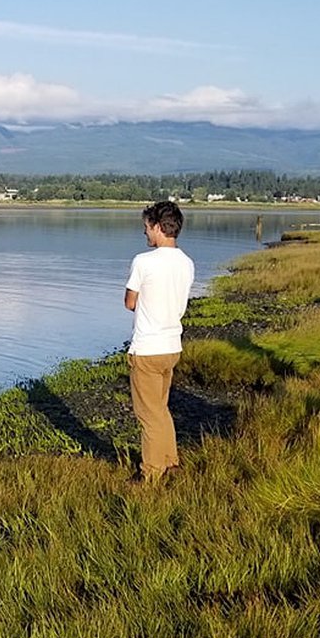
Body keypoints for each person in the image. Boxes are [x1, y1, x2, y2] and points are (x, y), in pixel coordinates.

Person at [124, 201, 195, 484]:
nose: (145, 234)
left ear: (157, 227)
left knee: (148, 414)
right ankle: (170, 462)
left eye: (146, 228)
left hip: (147, 348)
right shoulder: (187, 263)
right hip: (171, 346)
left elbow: (130, 303)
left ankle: (151, 473)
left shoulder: (143, 261)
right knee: (160, 409)